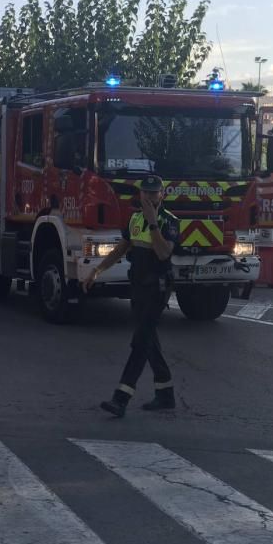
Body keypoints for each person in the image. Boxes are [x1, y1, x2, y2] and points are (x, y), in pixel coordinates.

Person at [83, 174, 179, 417]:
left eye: (154, 192)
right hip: (138, 287)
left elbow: (163, 254)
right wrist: (96, 270)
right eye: (145, 193)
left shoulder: (169, 221)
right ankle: (165, 393)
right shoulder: (135, 219)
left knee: (140, 342)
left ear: (162, 195)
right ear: (140, 195)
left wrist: (153, 222)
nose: (149, 197)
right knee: (148, 341)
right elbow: (121, 249)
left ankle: (121, 398)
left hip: (157, 288)